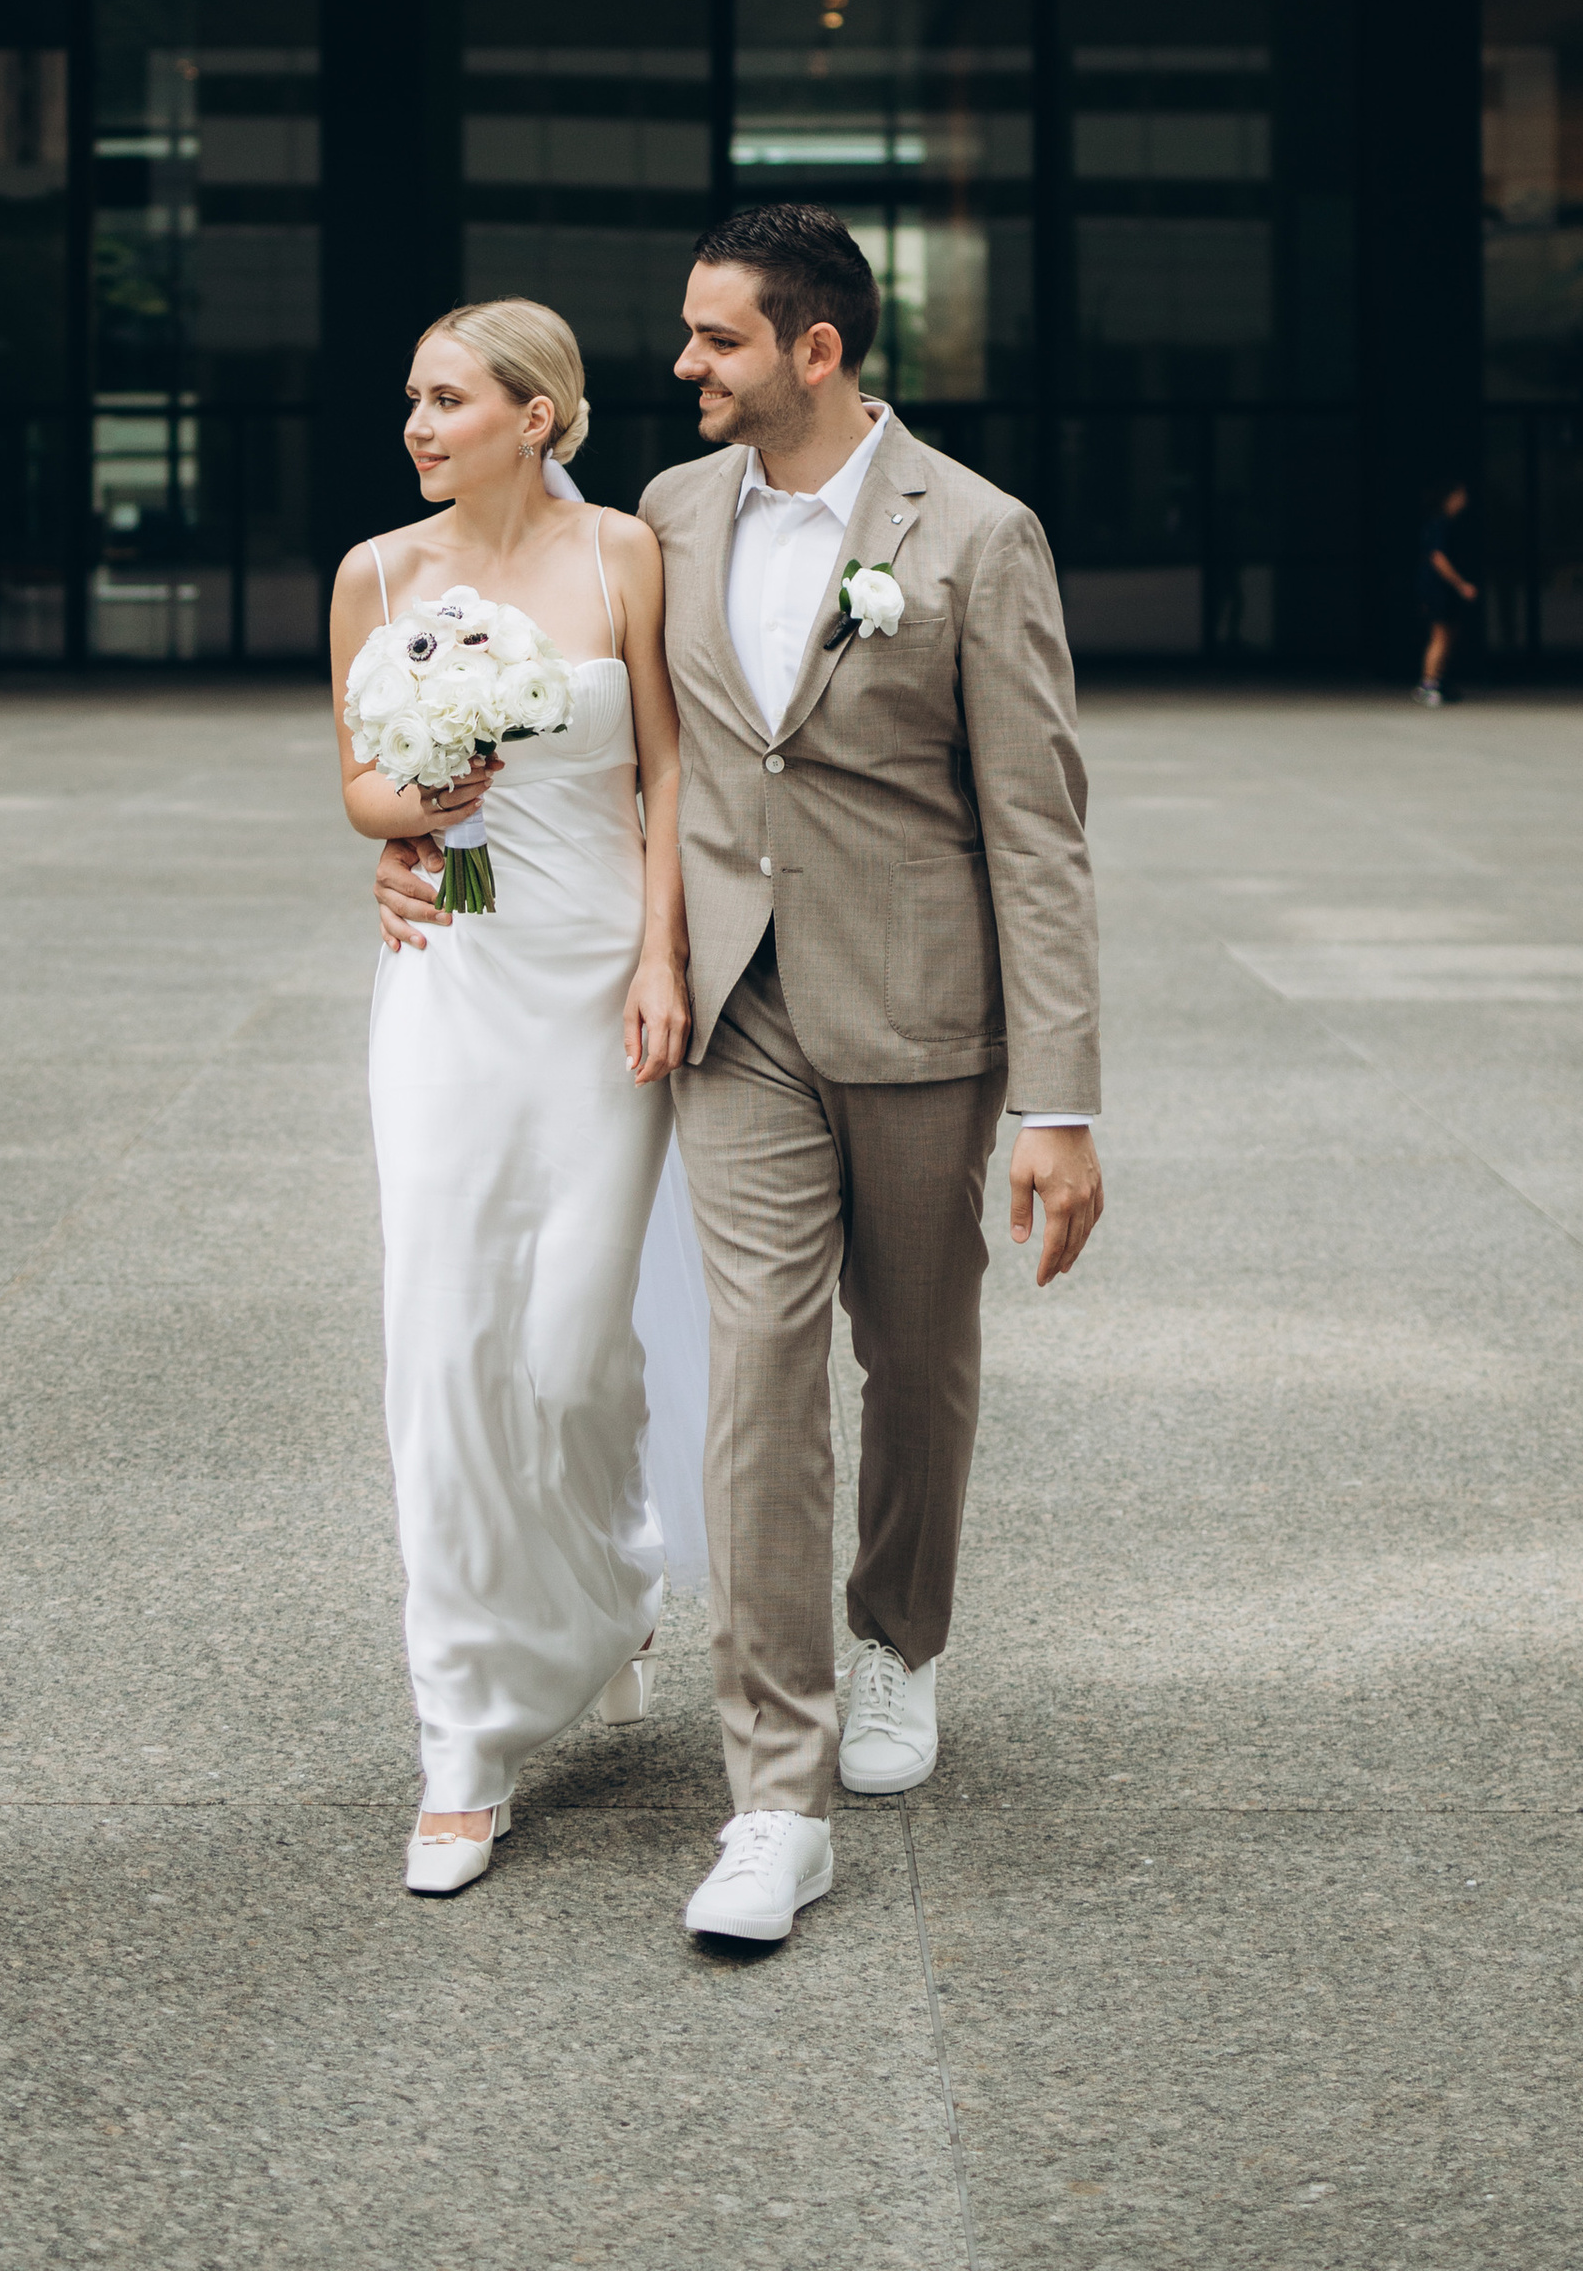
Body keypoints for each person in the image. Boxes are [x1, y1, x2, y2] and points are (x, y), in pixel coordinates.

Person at [378, 204, 1105, 1952]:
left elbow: (1040, 827)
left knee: (915, 1355)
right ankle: (773, 1795)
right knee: (761, 1377)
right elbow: (614, 749)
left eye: (714, 341)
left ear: (817, 353)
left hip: (925, 1011)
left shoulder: (981, 535)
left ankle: (897, 1637)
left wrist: (1060, 1103)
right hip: (734, 1019)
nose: (682, 366)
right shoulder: (668, 525)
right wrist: (415, 850)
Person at [330, 299, 701, 1898]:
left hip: (597, 974)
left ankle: (613, 1583)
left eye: (450, 399)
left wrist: (662, 961)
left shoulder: (627, 558)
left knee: (570, 1349)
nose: (418, 425)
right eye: (412, 400)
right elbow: (349, 780)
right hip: (449, 982)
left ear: (538, 413)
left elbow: (672, 773)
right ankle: (464, 1743)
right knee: (445, 1340)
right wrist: (404, 822)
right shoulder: (377, 572)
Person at [1416, 480, 1476, 705]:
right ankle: (1427, 684)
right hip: (1436, 589)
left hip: (1442, 590)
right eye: (1460, 495)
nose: (1464, 501)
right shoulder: (1438, 524)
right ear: (1449, 497)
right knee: (1439, 636)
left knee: (1449, 635)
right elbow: (1437, 558)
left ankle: (1438, 681)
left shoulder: (1447, 524)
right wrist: (1461, 584)